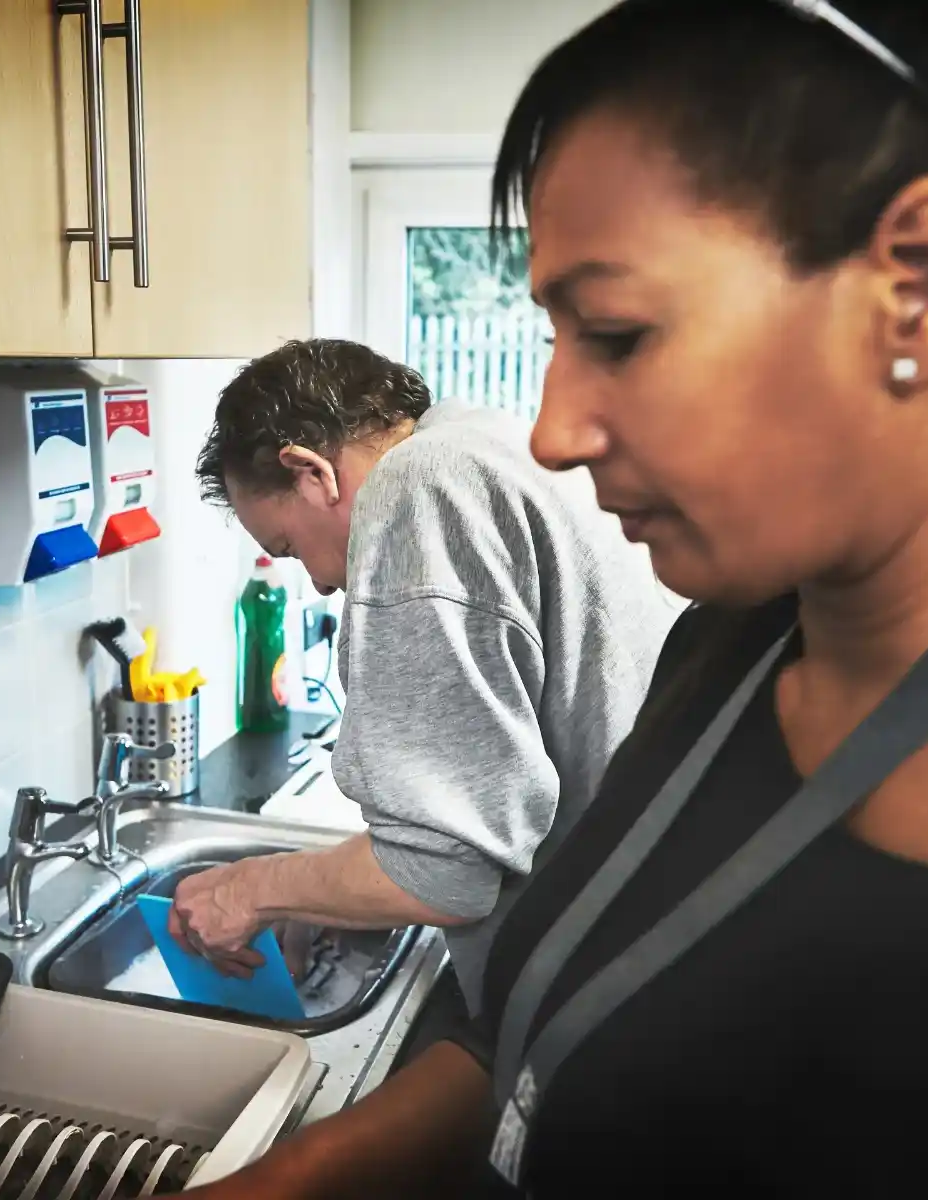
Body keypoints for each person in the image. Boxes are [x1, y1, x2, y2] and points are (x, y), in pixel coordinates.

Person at [185, 1, 928, 1196]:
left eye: (618, 332)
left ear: (921, 286)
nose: (557, 429)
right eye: (557, 336)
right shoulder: (733, 651)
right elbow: (552, 1024)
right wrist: (300, 1175)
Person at [173, 338, 680, 1014]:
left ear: (311, 472)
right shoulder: (481, 439)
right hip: (663, 926)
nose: (321, 585)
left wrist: (251, 889)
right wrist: (322, 890)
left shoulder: (417, 493)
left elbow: (442, 876)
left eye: (290, 547)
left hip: (619, 986)